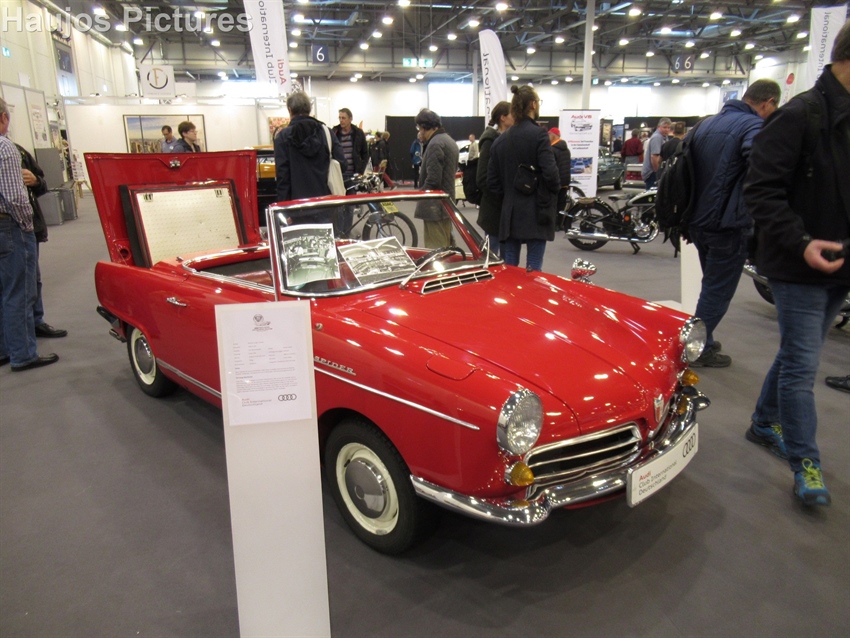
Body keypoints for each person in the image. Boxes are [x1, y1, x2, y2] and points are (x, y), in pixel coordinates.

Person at [743, 21, 850, 507]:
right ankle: (806, 461)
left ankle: (764, 422)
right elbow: (760, 191)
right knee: (802, 366)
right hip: (797, 265)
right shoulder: (798, 115)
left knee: (795, 354)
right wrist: (801, 241)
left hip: (840, 265)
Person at [688, 78, 781, 368]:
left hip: (698, 220)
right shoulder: (753, 126)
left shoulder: (705, 124)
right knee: (717, 289)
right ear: (768, 103)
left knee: (711, 284)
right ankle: (696, 347)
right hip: (728, 223)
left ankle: (704, 338)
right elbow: (762, 166)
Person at [0, 97, 59, 371]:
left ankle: (5, 349)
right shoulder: (6, 148)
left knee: (4, 291)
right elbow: (15, 198)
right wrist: (26, 225)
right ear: (4, 118)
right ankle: (23, 354)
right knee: (19, 292)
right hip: (10, 226)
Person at [486, 85, 560, 272]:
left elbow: (492, 182)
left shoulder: (500, 141)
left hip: (510, 213)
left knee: (510, 268)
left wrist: (509, 195)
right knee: (534, 268)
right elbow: (551, 175)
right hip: (537, 211)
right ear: (533, 104)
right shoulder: (539, 135)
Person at [15, 143, 67, 339]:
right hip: (12, 227)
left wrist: (36, 181)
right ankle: (17, 334)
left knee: (32, 278)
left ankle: (35, 322)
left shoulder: (19, 152)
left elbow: (42, 184)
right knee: (15, 284)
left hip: (27, 227)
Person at [274, 91, 345, 224]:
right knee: (327, 237)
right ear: (309, 109)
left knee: (299, 237)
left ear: (290, 110)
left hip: (297, 209)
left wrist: (284, 210)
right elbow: (342, 164)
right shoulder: (326, 133)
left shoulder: (282, 137)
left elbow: (283, 177)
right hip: (326, 205)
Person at [413, 108, 458, 248]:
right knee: (448, 245)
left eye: (419, 128)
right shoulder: (449, 140)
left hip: (434, 207)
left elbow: (433, 179)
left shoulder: (435, 144)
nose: (419, 131)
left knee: (436, 250)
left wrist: (420, 194)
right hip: (446, 203)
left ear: (424, 127)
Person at [475, 100, 513, 255]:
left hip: (504, 208)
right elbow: (482, 177)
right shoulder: (490, 140)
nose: (516, 117)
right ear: (503, 117)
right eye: (512, 114)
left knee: (506, 255)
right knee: (490, 255)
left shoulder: (508, 139)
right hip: (493, 209)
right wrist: (500, 195)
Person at [332, 108, 368, 179]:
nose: (341, 120)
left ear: (350, 119)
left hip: (355, 174)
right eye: (339, 118)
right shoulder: (334, 132)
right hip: (339, 174)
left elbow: (365, 153)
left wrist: (361, 170)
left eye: (343, 118)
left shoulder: (358, 133)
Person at [641, 117, 671, 189]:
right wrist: (658, 173)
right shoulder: (657, 137)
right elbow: (654, 157)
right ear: (658, 127)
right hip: (652, 173)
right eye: (664, 127)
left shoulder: (664, 137)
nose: (667, 129)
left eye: (668, 128)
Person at [547, 127, 572, 214]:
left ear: (553, 136)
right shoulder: (566, 149)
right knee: (561, 207)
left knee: (553, 207)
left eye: (549, 135)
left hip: (556, 182)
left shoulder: (552, 150)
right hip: (565, 182)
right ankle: (560, 221)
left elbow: (551, 167)